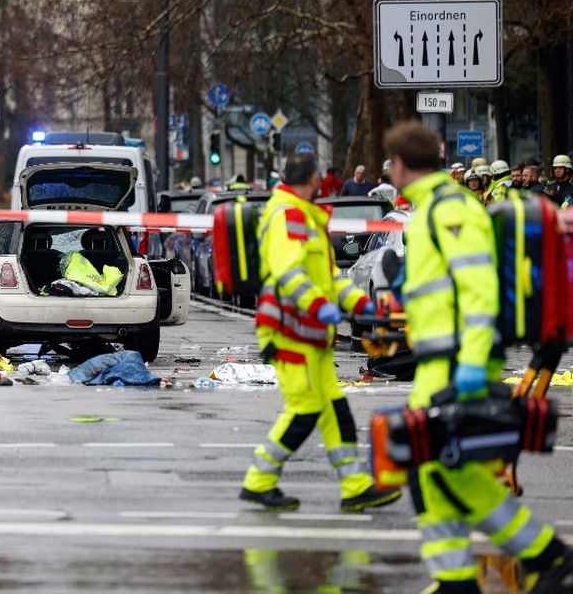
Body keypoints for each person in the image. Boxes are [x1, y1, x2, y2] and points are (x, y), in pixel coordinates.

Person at [384, 120, 573, 593]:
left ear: (402, 165)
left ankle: (547, 555)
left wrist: (470, 362)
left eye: (392, 163)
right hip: (440, 358)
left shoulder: (448, 209)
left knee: (439, 466)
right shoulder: (432, 209)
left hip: (456, 359)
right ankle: (455, 578)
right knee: (434, 467)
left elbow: (478, 287)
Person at [239, 152, 399, 513]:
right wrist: (320, 307)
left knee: (335, 410)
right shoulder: (290, 216)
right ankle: (258, 481)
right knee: (305, 409)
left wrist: (361, 305)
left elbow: (330, 279)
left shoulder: (308, 218)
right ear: (313, 181)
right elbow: (289, 274)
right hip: (289, 332)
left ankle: (355, 487)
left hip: (310, 333)